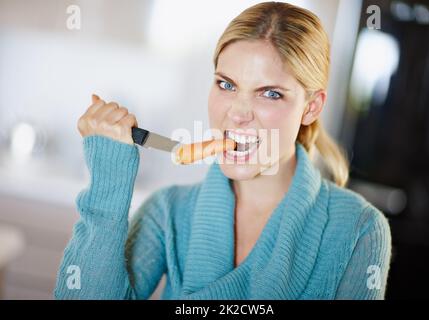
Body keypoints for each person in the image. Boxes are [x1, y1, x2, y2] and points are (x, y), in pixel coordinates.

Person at [55, 2, 391, 300]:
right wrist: (107, 185)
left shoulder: (358, 229)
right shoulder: (169, 212)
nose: (238, 113)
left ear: (312, 107)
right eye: (226, 84)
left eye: (270, 93)